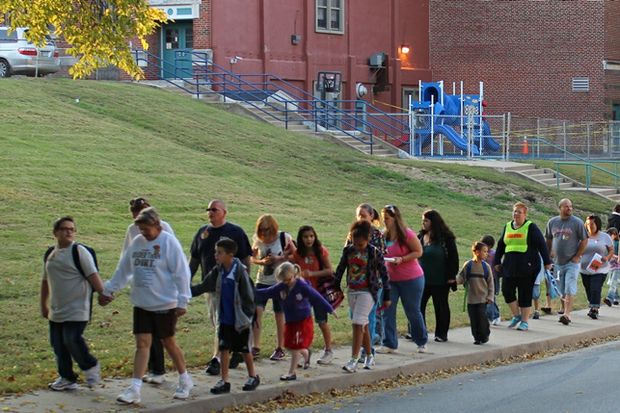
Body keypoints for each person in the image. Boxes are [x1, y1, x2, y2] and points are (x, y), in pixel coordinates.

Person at [100, 207, 193, 404]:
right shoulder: (137, 243)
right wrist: (109, 289)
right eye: (140, 229)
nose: (143, 233)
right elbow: (123, 270)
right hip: (142, 303)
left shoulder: (169, 243)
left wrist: (183, 300)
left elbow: (181, 273)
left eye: (146, 229)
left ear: (157, 225)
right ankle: (134, 389)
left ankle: (185, 380)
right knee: (142, 345)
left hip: (165, 303)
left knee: (169, 343)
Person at [189, 199, 252, 376]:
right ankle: (235, 350)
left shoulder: (235, 232)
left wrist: (244, 282)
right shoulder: (203, 233)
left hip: (230, 287)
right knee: (217, 321)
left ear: (224, 212)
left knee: (220, 323)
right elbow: (194, 260)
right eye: (208, 209)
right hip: (210, 286)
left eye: (214, 209)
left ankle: (216, 359)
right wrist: (186, 281)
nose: (210, 212)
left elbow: (246, 258)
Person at [40, 216, 104, 391]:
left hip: (78, 307)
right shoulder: (50, 254)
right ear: (55, 233)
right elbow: (45, 281)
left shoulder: (79, 251)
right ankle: (67, 377)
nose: (68, 232)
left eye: (72, 229)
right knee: (58, 345)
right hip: (56, 309)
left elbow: (93, 275)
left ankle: (90, 366)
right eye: (64, 229)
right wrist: (43, 304)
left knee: (72, 339)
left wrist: (103, 294)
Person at [190, 238, 260, 394]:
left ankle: (253, 376)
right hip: (225, 319)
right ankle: (225, 380)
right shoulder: (218, 271)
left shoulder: (239, 271)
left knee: (244, 350)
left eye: (219, 252)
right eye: (216, 252)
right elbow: (204, 286)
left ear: (230, 254)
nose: (216, 255)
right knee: (224, 349)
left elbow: (249, 296)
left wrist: (248, 316)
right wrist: (186, 292)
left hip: (239, 320)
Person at [122, 197, 175, 385]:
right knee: (144, 336)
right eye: (136, 211)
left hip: (161, 290)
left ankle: (168, 372)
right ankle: (150, 372)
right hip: (143, 288)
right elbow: (127, 258)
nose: (139, 214)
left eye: (143, 209)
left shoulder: (165, 229)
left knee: (164, 337)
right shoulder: (132, 230)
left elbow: (175, 259)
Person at [256, 262, 335, 381]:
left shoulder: (301, 286)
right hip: (290, 321)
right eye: (283, 281)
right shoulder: (281, 287)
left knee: (295, 347)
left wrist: (329, 308)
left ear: (294, 275)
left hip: (303, 320)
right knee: (288, 344)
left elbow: (316, 297)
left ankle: (291, 373)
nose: (287, 283)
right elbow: (266, 292)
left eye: (289, 280)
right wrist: (246, 292)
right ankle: (306, 353)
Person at [335, 220, 390, 373]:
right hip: (353, 290)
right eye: (355, 243)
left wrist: (387, 295)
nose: (357, 248)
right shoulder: (348, 251)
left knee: (357, 323)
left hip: (369, 291)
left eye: (361, 244)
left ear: (367, 240)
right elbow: (340, 269)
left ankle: (354, 360)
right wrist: (335, 286)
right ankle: (369, 355)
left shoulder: (374, 252)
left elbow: (384, 275)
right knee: (363, 324)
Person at [494, 202, 552, 331]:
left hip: (528, 267)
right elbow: (500, 246)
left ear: (525, 214)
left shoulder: (531, 227)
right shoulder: (507, 226)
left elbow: (542, 244)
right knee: (507, 290)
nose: (516, 214)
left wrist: (547, 262)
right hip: (509, 266)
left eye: (519, 212)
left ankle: (524, 322)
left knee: (524, 293)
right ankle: (516, 315)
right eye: (514, 211)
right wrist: (497, 261)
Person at [379, 205, 428, 354]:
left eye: (387, 218)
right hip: (390, 279)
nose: (385, 221)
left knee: (412, 310)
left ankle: (421, 341)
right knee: (387, 309)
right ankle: (389, 343)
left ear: (395, 218)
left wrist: (402, 259)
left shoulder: (406, 234)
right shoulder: (383, 235)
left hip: (411, 278)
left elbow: (418, 252)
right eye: (383, 218)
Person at [251, 214, 296, 361]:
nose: (264, 234)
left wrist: (279, 258)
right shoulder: (258, 240)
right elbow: (252, 257)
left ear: (273, 228)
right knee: (257, 311)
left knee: (279, 313)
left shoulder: (284, 237)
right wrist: (261, 262)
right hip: (262, 280)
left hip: (280, 281)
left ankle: (280, 347)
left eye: (267, 230)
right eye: (261, 230)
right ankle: (255, 346)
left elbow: (295, 256)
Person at [345, 203, 386, 359]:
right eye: (358, 215)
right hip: (355, 282)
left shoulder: (376, 235)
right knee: (355, 317)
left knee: (368, 317)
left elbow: (380, 258)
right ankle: (367, 345)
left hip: (373, 283)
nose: (360, 218)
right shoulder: (352, 233)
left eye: (363, 215)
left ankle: (367, 352)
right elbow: (346, 254)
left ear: (371, 216)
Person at [292, 225, 335, 365]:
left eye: (311, 236)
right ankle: (305, 351)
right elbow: (293, 268)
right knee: (302, 323)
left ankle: (328, 350)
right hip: (303, 293)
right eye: (305, 237)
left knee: (322, 321)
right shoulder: (298, 253)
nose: (309, 239)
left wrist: (312, 274)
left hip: (319, 292)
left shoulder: (320, 251)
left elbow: (329, 270)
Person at [545, 198, 588, 326]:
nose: (569, 208)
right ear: (560, 208)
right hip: (557, 262)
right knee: (561, 288)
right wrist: (547, 257)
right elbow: (548, 239)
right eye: (566, 206)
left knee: (570, 286)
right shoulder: (552, 222)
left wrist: (577, 256)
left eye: (570, 206)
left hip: (572, 262)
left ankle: (567, 315)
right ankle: (563, 308)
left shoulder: (577, 222)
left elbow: (584, 240)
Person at [418, 209, 459, 342]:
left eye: (426, 220)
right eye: (423, 220)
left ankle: (441, 334)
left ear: (433, 222)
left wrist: (451, 275)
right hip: (421, 279)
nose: (423, 223)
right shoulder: (420, 237)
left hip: (441, 279)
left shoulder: (446, 238)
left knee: (440, 306)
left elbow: (453, 257)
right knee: (418, 306)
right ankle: (417, 331)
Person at [457, 241, 494, 345]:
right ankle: (477, 338)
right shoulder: (468, 265)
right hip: (471, 298)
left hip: (482, 298)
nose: (486, 254)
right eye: (484, 252)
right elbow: (461, 277)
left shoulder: (486, 267)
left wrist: (490, 296)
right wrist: (454, 282)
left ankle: (485, 335)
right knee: (474, 319)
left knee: (482, 318)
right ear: (477, 252)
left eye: (487, 252)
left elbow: (491, 283)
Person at [579, 215, 615, 319]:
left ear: (597, 224)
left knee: (595, 287)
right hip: (585, 269)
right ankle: (592, 304)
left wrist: (607, 258)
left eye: (592, 224)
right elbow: (578, 249)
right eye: (588, 224)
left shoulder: (605, 236)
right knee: (588, 289)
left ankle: (594, 309)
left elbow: (611, 250)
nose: (590, 226)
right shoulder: (583, 236)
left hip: (600, 268)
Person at [481, 235, 501, 325]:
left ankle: (494, 316)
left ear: (490, 246)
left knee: (490, 298)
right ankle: (494, 314)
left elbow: (498, 266)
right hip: (482, 278)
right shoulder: (480, 253)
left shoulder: (494, 254)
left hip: (492, 279)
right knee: (486, 298)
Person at [604, 228, 620, 306]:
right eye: (609, 235)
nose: (611, 236)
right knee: (612, 282)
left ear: (616, 235)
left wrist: (616, 257)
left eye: (612, 235)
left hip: (618, 265)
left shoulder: (617, 243)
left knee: (614, 281)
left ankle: (609, 298)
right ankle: (616, 298)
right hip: (610, 265)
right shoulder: (608, 243)